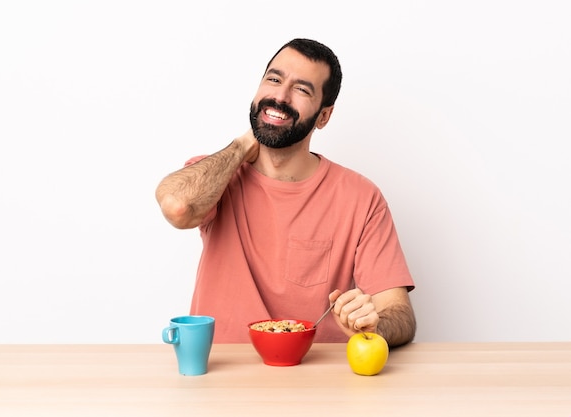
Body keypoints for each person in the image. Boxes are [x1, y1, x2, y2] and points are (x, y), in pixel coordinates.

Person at [155, 38, 416, 347]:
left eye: (302, 89)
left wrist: (374, 325)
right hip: (222, 376)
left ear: (323, 116)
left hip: (317, 380)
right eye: (274, 79)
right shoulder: (217, 175)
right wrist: (242, 145)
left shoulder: (361, 197)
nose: (280, 96)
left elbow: (400, 314)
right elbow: (178, 206)